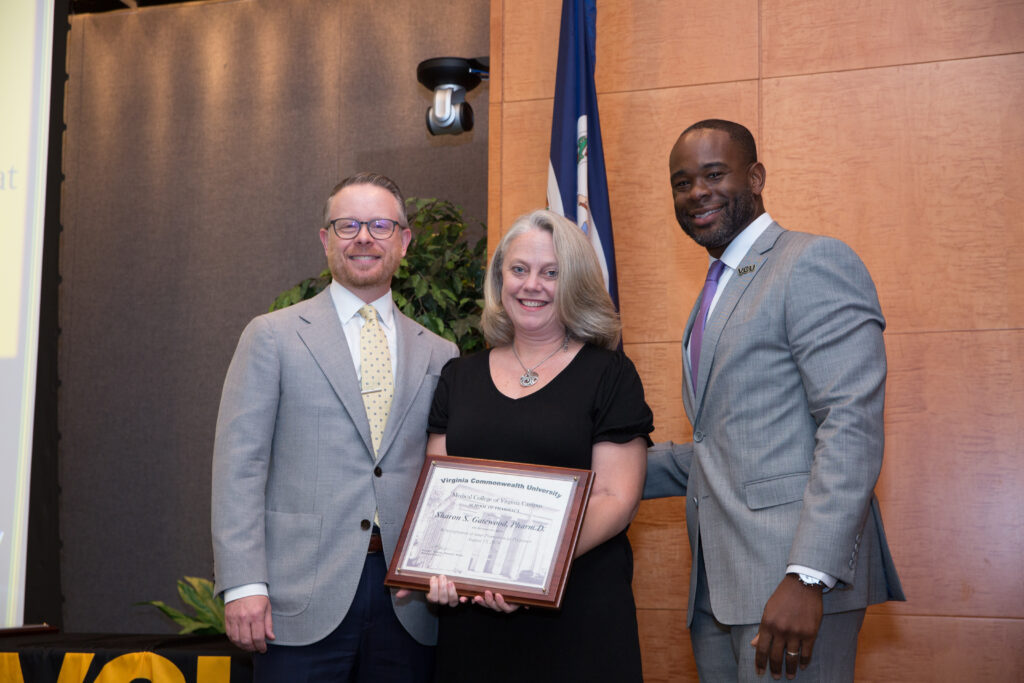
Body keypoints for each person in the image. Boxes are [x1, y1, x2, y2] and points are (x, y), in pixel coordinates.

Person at [644, 119, 905, 682]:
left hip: (793, 587)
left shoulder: (811, 262)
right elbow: (734, 442)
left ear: (756, 176)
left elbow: (850, 425)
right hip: (720, 590)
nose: (697, 194)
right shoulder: (718, 287)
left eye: (715, 174)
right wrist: (600, 470)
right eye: (682, 182)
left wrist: (808, 576)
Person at [211, 172, 458, 682]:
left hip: (407, 604)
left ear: (404, 242)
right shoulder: (272, 336)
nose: (364, 237)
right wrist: (243, 585)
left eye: (381, 225)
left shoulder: (441, 352)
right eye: (347, 225)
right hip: (295, 599)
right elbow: (239, 467)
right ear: (325, 240)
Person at [423, 209, 653, 682]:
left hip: (577, 615)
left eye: (552, 273)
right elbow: (437, 496)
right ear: (499, 278)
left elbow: (615, 496)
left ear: (575, 283)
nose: (533, 285)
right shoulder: (458, 376)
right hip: (472, 621)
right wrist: (438, 570)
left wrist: (527, 572)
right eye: (519, 270)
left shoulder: (609, 374)